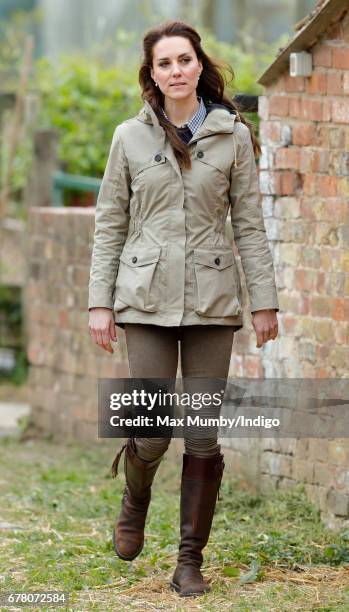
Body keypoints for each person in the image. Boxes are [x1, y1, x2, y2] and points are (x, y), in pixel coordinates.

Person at [88, 19, 279, 598]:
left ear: (200, 66)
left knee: (202, 437)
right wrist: (100, 303)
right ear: (153, 74)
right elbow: (109, 225)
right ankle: (135, 498)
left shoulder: (232, 137)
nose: (176, 71)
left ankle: (189, 561)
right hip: (142, 301)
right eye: (164, 63)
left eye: (185, 60)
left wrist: (264, 302)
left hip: (212, 302)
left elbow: (249, 225)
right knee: (151, 432)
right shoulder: (129, 137)